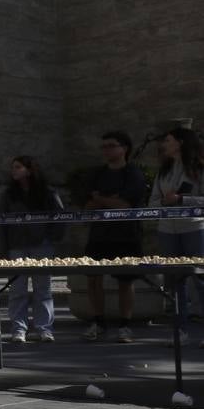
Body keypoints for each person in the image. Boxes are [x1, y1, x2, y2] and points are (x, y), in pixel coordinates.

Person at [83, 130, 147, 343]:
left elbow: (125, 205)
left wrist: (101, 199)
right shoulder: (96, 174)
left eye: (111, 146)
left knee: (125, 281)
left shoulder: (133, 174)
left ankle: (125, 326)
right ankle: (98, 322)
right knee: (93, 279)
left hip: (126, 235)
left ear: (124, 148)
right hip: (98, 235)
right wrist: (108, 199)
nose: (106, 150)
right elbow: (88, 204)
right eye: (103, 146)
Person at [0, 156, 64, 343]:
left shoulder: (47, 193)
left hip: (41, 246)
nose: (14, 170)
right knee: (17, 290)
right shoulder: (8, 195)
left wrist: (51, 237)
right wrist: (2, 248)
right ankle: (19, 329)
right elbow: (1, 223)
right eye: (13, 167)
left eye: (18, 167)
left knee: (43, 289)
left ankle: (44, 328)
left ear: (29, 170)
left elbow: (60, 216)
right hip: (16, 246)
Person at [148, 126, 204, 345]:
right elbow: (152, 202)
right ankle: (180, 331)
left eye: (168, 140)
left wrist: (182, 199)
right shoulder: (164, 170)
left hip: (195, 228)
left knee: (201, 279)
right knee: (174, 281)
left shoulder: (200, 168)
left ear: (180, 142)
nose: (165, 144)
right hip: (167, 231)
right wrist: (164, 201)